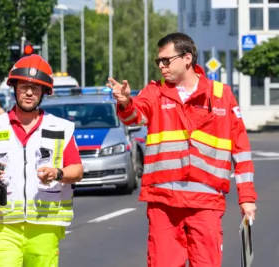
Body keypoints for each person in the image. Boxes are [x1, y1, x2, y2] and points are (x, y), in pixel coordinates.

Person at [107, 32, 257, 267]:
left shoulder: (221, 95)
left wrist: (246, 198)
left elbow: (241, 148)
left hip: (205, 202)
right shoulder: (155, 92)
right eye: (158, 61)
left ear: (187, 58)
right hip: (164, 203)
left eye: (166, 60)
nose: (161, 66)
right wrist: (126, 102)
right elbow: (136, 116)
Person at [0, 54, 83, 267]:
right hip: (2, 225)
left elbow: (76, 169)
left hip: (44, 226)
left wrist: (58, 173)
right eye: (24, 87)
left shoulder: (60, 128)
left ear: (43, 93)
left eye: (36, 88)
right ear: (14, 88)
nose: (29, 93)